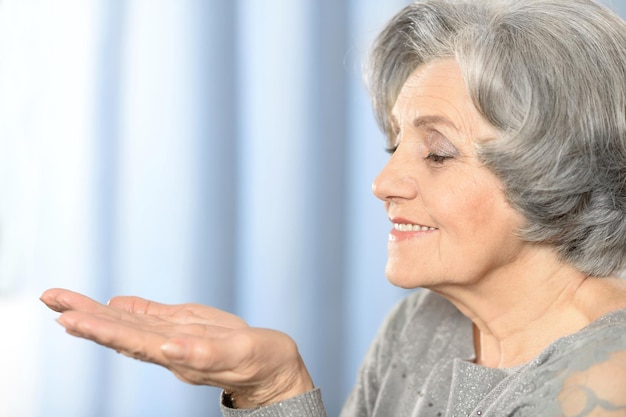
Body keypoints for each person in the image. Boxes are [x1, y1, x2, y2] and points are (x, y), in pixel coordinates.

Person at [41, 0, 626, 415]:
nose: (383, 181)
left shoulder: (606, 381)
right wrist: (272, 389)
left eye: (438, 152)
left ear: (560, 174)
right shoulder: (421, 326)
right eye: (396, 144)